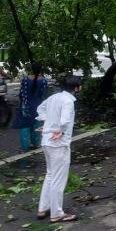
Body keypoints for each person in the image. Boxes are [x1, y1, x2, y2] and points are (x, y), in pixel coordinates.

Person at [36, 75, 82, 223]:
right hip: (58, 144)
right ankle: (56, 214)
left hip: (46, 141)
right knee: (58, 179)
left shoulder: (54, 97)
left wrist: (47, 123)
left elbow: (40, 109)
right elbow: (65, 120)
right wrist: (59, 129)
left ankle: (43, 208)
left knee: (50, 175)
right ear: (76, 88)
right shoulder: (68, 101)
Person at [11, 63, 48, 151]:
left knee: (25, 126)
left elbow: (22, 94)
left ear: (32, 69)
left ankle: (24, 147)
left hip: (26, 106)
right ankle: (36, 144)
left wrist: (23, 104)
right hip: (38, 105)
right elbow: (43, 94)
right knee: (36, 124)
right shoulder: (44, 81)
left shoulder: (25, 80)